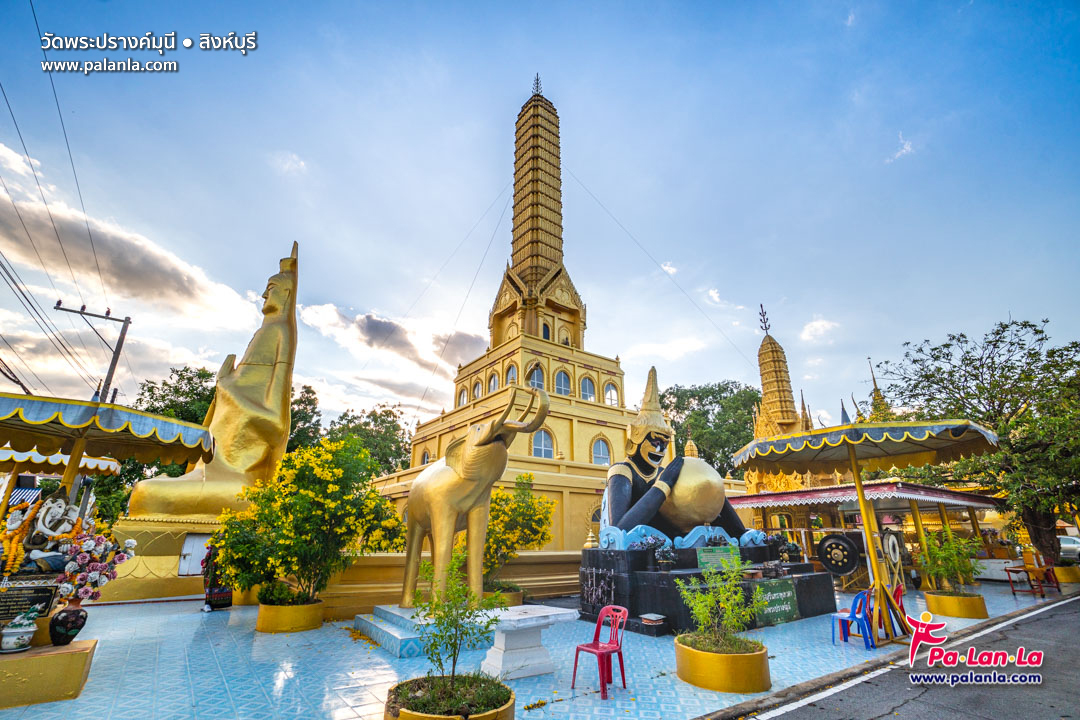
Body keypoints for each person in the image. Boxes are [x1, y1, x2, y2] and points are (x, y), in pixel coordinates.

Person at [600, 367, 764, 545]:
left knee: (707, 487)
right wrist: (663, 486)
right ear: (635, 442)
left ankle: (742, 536)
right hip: (637, 547)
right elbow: (619, 529)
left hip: (675, 541)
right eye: (655, 441)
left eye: (665, 443)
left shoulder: (662, 472)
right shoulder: (622, 472)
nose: (661, 449)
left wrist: (709, 489)